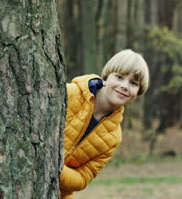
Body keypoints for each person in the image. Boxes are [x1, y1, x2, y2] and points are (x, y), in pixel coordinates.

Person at [59, 49, 149, 199]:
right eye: (119, 77)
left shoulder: (113, 138)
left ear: (137, 94)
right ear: (106, 77)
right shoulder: (69, 93)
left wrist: (55, 168)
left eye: (133, 83)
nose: (125, 86)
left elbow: (82, 179)